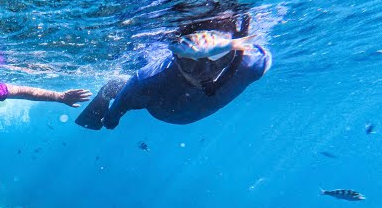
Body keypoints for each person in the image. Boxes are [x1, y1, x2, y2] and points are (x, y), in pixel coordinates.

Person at [74, 13, 271, 130]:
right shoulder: (146, 82)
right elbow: (111, 118)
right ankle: (105, 91)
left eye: (219, 58)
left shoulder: (249, 65)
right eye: (191, 62)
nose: (205, 71)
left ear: (232, 55)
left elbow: (262, 54)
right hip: (158, 108)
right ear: (176, 58)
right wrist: (109, 119)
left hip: (169, 109)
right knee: (119, 83)